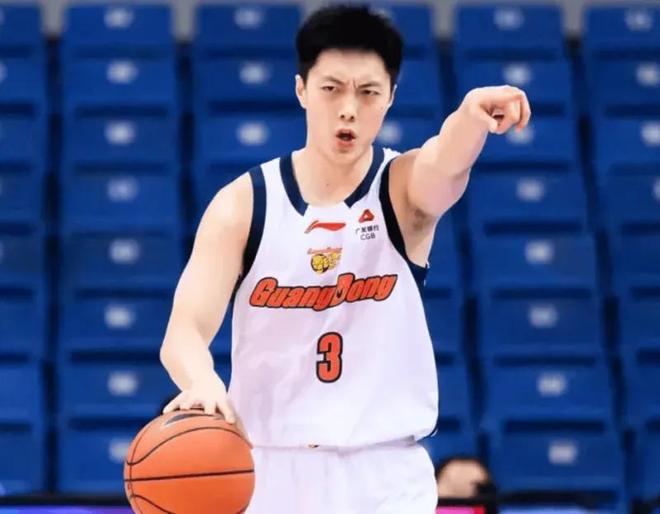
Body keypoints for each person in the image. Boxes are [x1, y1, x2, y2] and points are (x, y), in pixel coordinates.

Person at [159, 5, 530, 513]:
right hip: (269, 468)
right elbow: (184, 330)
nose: (348, 109)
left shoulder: (402, 189)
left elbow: (445, 162)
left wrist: (470, 119)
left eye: (368, 92)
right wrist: (202, 381)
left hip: (384, 472)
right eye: (331, 88)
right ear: (301, 90)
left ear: (391, 96)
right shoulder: (243, 204)